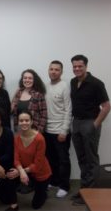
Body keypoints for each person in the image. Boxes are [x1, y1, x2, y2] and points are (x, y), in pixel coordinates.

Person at [70, 55, 111, 205]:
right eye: (74, 66)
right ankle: (84, 190)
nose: (77, 69)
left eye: (80, 66)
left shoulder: (96, 83)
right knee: (82, 159)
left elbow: (106, 107)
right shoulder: (73, 82)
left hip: (90, 123)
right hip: (77, 123)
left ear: (86, 66)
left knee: (91, 159)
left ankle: (91, 193)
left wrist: (95, 125)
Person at [7, 110, 51, 210]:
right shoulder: (17, 138)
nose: (24, 123)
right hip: (25, 171)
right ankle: (14, 204)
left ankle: (42, 192)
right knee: (10, 175)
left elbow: (38, 165)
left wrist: (20, 171)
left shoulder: (40, 139)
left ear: (31, 122)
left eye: (27, 120)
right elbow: (16, 158)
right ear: (18, 122)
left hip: (41, 173)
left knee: (36, 205)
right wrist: (21, 171)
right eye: (21, 120)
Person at [44, 60, 72, 198]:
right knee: (50, 159)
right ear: (48, 70)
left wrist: (64, 131)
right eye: (51, 69)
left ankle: (64, 186)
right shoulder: (46, 86)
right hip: (47, 130)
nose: (53, 71)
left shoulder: (65, 86)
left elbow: (68, 110)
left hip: (60, 130)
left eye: (56, 69)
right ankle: (54, 181)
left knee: (63, 160)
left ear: (61, 72)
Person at [11, 69, 47, 133]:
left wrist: (39, 131)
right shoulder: (18, 93)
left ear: (34, 80)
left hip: (34, 131)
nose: (27, 80)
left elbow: (43, 115)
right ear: (22, 80)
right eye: (25, 78)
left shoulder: (38, 95)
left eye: (30, 78)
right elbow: (12, 110)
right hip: (19, 131)